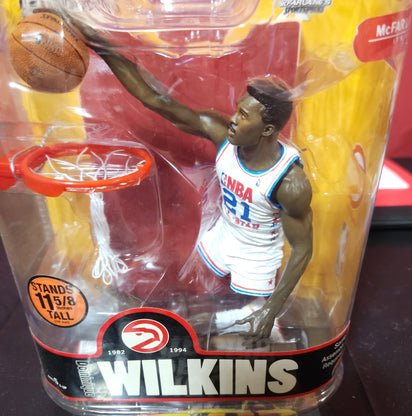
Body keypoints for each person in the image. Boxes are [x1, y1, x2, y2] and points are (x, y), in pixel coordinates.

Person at [71, 19, 313, 343]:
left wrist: (270, 311)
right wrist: (100, 44)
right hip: (224, 233)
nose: (233, 119)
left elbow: (302, 249)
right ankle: (180, 326)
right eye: (237, 110)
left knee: (245, 325)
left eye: (244, 116)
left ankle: (250, 336)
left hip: (255, 254)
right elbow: (158, 101)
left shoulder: (289, 182)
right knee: (195, 302)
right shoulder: (223, 134)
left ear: (267, 130)